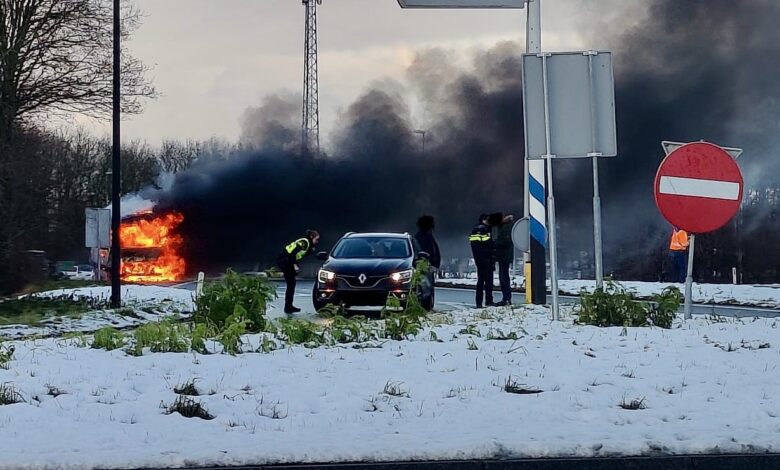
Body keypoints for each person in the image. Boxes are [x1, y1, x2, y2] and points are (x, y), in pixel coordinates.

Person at [277, 230, 320, 314]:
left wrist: (310, 251)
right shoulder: (304, 242)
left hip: (287, 260)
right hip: (285, 260)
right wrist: (294, 265)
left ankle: (288, 306)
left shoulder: (307, 244)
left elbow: (299, 255)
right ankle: (288, 307)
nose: (317, 242)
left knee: (291, 284)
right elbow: (292, 253)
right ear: (311, 237)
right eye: (316, 239)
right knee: (291, 284)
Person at [469, 214, 495, 308]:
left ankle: (486, 301)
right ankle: (483, 302)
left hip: (485, 259)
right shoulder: (481, 230)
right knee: (484, 281)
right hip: (484, 259)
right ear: (483, 220)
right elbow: (483, 245)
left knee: (487, 281)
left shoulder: (485, 229)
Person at [494, 213, 515, 306]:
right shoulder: (503, 226)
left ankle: (506, 299)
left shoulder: (506, 227)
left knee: (504, 278)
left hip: (504, 256)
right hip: (503, 256)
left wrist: (495, 243)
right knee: (503, 277)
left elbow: (506, 241)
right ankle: (506, 298)